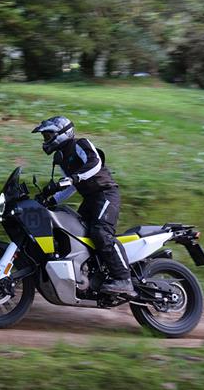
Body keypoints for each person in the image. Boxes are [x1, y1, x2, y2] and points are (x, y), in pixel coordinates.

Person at [32, 116, 135, 296]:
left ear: (62, 133)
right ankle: (92, 276)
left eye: (48, 136)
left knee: (101, 232)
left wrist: (75, 177)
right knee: (77, 235)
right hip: (90, 199)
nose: (46, 140)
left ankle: (124, 279)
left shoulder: (80, 144)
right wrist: (50, 200)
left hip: (106, 194)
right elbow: (70, 186)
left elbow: (95, 164)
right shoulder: (62, 157)